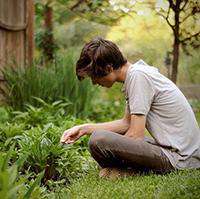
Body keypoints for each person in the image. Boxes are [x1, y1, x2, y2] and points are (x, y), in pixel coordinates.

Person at [60, 37, 200, 179]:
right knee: (101, 139)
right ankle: (129, 170)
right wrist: (84, 129)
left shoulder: (138, 77)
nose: (94, 82)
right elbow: (126, 124)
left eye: (94, 76)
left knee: (98, 139)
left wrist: (112, 150)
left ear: (109, 68)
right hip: (177, 152)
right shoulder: (136, 74)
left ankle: (129, 171)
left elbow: (135, 135)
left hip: (181, 158)